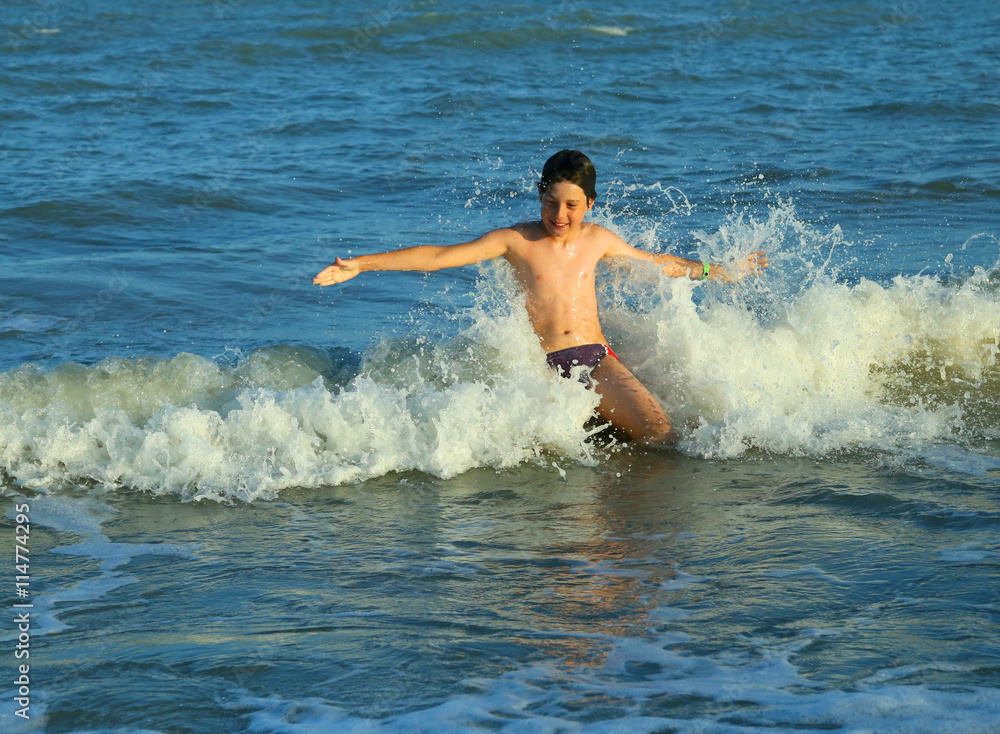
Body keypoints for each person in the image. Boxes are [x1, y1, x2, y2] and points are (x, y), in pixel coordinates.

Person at [314, 150, 766, 446]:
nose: (559, 214)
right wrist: (362, 263)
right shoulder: (515, 240)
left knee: (659, 433)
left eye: (571, 205)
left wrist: (721, 270)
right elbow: (438, 256)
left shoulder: (598, 241)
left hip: (595, 357)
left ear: (589, 203)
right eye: (551, 202)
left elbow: (657, 264)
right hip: (542, 365)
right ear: (539, 196)